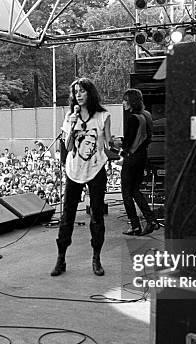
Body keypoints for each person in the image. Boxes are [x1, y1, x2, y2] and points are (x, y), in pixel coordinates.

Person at [52, 78, 112, 277]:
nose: (78, 95)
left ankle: (96, 258)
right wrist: (71, 125)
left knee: (96, 215)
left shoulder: (103, 116)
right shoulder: (70, 116)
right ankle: (61, 258)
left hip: (95, 169)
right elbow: (68, 147)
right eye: (75, 91)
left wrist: (116, 146)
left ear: (90, 93)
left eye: (82, 91)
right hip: (73, 169)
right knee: (67, 215)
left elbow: (109, 143)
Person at [120, 89, 158, 236]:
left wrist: (117, 143)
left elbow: (128, 143)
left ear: (131, 101)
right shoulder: (147, 115)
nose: (123, 103)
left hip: (132, 158)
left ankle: (135, 225)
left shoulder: (132, 118)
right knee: (135, 190)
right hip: (143, 156)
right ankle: (151, 220)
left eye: (125, 100)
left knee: (126, 192)